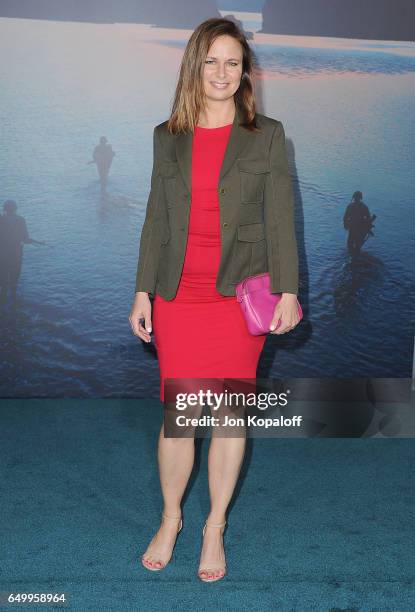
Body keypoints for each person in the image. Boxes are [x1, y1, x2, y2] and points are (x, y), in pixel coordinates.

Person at [128, 18, 301, 582]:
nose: (222, 73)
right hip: (179, 296)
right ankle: (172, 516)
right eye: (211, 61)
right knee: (179, 419)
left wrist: (290, 290)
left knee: (228, 416)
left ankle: (214, 527)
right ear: (193, 67)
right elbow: (156, 220)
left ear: (244, 71)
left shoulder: (267, 134)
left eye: (233, 62)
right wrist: (142, 291)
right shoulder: (167, 136)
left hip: (237, 297)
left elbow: (280, 220)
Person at [343, 191, 374, 255]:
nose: (356, 199)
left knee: (355, 245)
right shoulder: (352, 206)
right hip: (353, 228)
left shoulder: (361, 207)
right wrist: (345, 224)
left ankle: (354, 256)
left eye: (357, 197)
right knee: (351, 245)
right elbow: (345, 217)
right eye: (356, 197)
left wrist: (346, 224)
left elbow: (368, 218)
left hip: (359, 229)